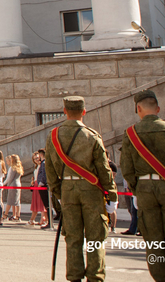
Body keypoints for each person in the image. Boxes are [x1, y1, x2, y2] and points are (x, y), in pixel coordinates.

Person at [45, 96, 116, 282]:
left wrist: (58, 193)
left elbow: (50, 169)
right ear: (84, 111)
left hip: (67, 188)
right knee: (95, 238)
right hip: (91, 189)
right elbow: (103, 169)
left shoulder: (54, 135)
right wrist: (112, 195)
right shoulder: (92, 136)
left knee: (73, 238)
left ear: (64, 111)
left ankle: (74, 277)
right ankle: (95, 277)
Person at [28, 153, 47, 227]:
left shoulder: (43, 165)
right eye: (34, 159)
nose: (36, 160)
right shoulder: (37, 166)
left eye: (37, 158)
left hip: (40, 185)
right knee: (35, 202)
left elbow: (43, 175)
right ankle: (32, 219)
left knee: (42, 203)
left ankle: (44, 219)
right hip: (36, 184)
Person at [3, 154, 23, 222]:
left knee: (10, 201)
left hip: (12, 185)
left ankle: (5, 215)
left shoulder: (12, 168)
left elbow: (10, 178)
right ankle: (18, 216)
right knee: (17, 201)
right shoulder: (19, 167)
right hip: (18, 184)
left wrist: (5, 184)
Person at [37, 149, 50, 230]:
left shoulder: (44, 163)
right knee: (46, 205)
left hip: (43, 186)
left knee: (47, 205)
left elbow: (44, 174)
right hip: (42, 186)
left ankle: (49, 222)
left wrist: (41, 183)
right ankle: (49, 222)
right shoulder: (43, 163)